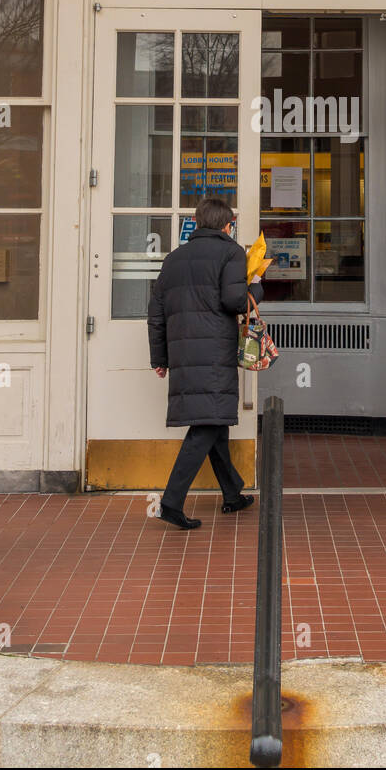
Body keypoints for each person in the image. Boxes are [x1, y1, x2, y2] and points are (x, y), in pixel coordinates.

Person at [147, 195, 268, 529]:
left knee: (212, 421)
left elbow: (155, 312)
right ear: (227, 225)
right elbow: (233, 301)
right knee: (206, 426)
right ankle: (171, 502)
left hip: (185, 355)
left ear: (198, 223)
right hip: (214, 353)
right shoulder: (230, 252)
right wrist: (256, 287)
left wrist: (159, 357)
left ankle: (232, 492)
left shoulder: (173, 259)